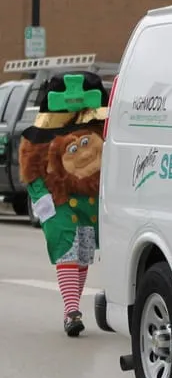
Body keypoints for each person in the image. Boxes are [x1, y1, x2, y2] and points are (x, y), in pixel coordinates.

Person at [18, 72, 109, 336]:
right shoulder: (39, 134)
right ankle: (71, 311)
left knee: (82, 255)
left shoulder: (99, 127)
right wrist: (43, 200)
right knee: (67, 250)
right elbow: (31, 169)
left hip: (89, 201)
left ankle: (72, 307)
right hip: (58, 200)